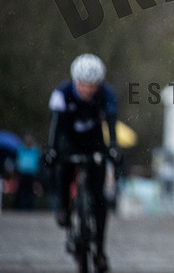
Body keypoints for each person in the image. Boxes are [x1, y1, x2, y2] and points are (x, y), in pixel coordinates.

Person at [46, 53, 120, 272]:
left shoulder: (106, 93)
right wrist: (52, 149)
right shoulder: (62, 93)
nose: (88, 90)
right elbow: (55, 124)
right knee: (63, 168)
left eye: (92, 86)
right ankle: (63, 206)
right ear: (75, 81)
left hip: (94, 142)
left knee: (99, 198)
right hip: (68, 141)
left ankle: (100, 250)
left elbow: (111, 122)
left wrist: (113, 147)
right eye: (83, 85)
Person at [14, 133, 42, 210]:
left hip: (32, 175)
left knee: (31, 193)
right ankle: (21, 208)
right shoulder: (21, 149)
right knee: (22, 193)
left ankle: (30, 208)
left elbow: (39, 163)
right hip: (22, 174)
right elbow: (17, 162)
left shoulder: (36, 150)